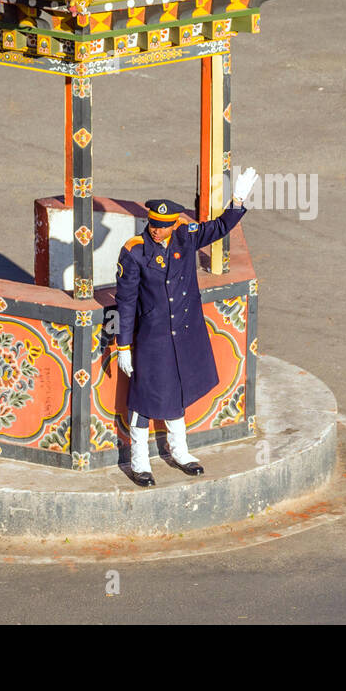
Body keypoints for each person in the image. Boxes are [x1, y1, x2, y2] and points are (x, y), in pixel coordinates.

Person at [114, 167, 259, 487]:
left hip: (184, 334)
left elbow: (221, 227)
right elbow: (126, 301)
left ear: (173, 225)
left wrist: (238, 200)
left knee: (176, 393)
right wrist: (123, 344)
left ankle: (179, 452)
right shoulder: (134, 251)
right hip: (153, 337)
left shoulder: (185, 236)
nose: (157, 230)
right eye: (153, 224)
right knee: (143, 400)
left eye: (163, 226)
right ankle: (139, 462)